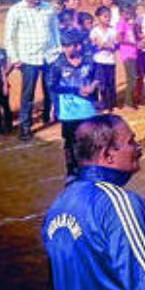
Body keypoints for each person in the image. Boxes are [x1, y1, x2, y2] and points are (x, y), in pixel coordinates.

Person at [41, 114, 145, 290]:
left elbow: (76, 266)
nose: (139, 148)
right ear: (108, 154)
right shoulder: (118, 202)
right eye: (131, 142)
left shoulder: (59, 206)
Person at [6, 0, 60, 141]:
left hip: (49, 55)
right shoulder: (15, 11)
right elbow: (9, 37)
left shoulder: (48, 8)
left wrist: (58, 50)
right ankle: (25, 126)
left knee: (51, 88)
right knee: (28, 94)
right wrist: (15, 58)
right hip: (28, 59)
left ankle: (50, 116)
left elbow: (55, 30)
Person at [50, 29, 99, 178]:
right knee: (70, 141)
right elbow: (53, 86)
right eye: (64, 46)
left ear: (78, 46)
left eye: (69, 45)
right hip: (69, 111)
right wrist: (76, 90)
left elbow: (97, 75)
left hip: (87, 109)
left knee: (90, 139)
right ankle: (71, 170)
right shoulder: (57, 64)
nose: (66, 49)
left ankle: (90, 167)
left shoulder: (89, 60)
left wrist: (93, 86)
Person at [90, 7, 118, 112]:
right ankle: (105, 104)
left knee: (111, 82)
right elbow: (93, 46)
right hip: (99, 61)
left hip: (110, 60)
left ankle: (112, 104)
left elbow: (116, 45)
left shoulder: (112, 30)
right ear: (98, 18)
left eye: (109, 16)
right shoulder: (94, 31)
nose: (108, 18)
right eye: (105, 16)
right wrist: (102, 46)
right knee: (102, 83)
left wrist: (106, 46)